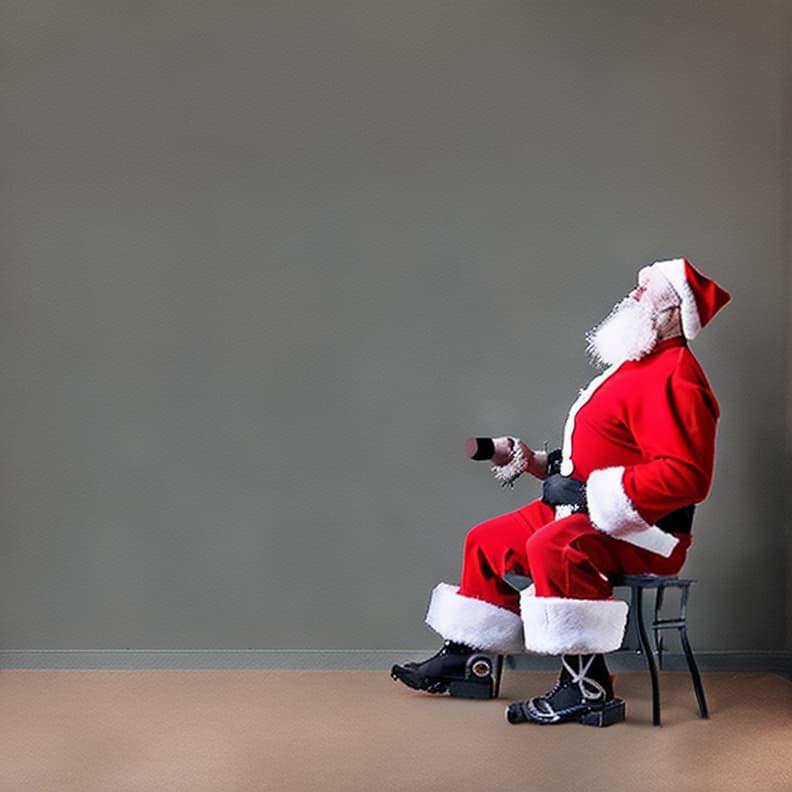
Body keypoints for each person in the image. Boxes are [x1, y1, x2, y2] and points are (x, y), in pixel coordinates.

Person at [391, 257, 730, 726]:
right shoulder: (634, 366)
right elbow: (595, 462)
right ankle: (470, 661)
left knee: (554, 545)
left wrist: (593, 496)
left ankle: (587, 689)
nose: (631, 296)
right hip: (586, 512)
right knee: (486, 540)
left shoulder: (675, 375)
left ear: (674, 312)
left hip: (646, 533)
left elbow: (687, 475)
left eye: (644, 291)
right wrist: (532, 463)